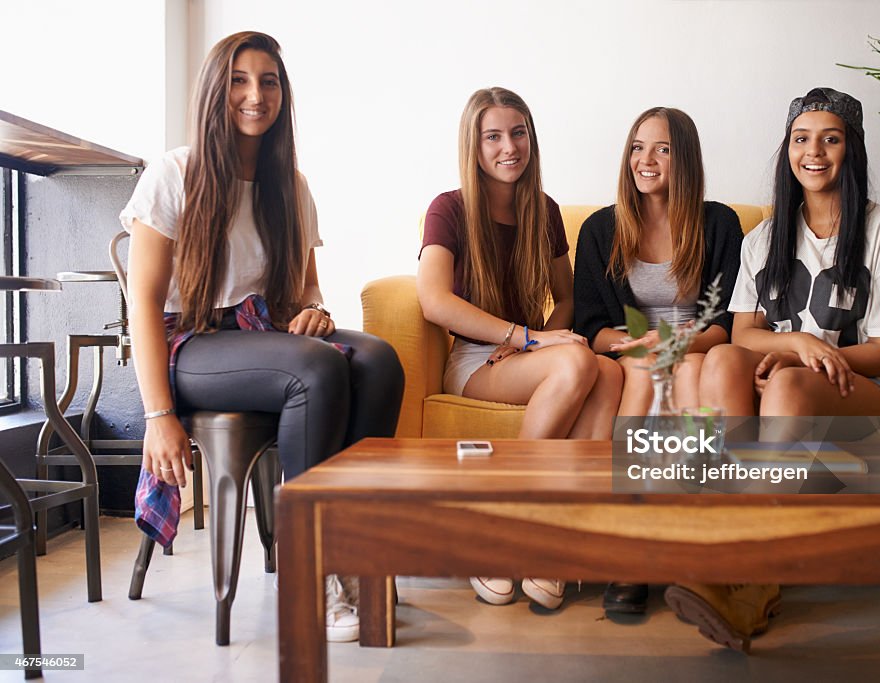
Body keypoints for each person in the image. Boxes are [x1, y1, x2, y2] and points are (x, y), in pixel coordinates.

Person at [119, 31, 404, 644]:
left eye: (268, 81)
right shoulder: (176, 173)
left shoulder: (290, 186)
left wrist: (316, 313)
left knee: (378, 360)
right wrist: (156, 414)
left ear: (283, 93)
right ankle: (309, 565)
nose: (255, 95)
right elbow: (141, 301)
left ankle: (352, 546)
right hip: (190, 346)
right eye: (240, 81)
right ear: (216, 93)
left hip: (261, 337)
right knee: (315, 368)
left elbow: (304, 291)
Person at [666, 87, 880, 652]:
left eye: (830, 139)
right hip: (786, 374)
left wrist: (794, 357)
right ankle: (733, 553)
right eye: (802, 139)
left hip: (869, 384)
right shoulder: (763, 238)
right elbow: (742, 335)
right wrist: (797, 343)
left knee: (785, 378)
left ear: (851, 149)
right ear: (787, 151)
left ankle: (754, 575)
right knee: (723, 358)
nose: (815, 152)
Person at [417, 87, 623, 611]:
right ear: (474, 144)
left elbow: (569, 297)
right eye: (493, 136)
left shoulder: (545, 211)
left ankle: (551, 540)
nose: (509, 146)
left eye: (518, 133)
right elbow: (434, 301)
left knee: (611, 373)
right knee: (581, 359)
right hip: (476, 359)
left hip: (529, 359)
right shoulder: (449, 209)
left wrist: (545, 338)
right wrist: (523, 339)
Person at [573, 107, 742, 616]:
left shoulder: (720, 223)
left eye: (662, 149)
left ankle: (695, 544)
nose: (646, 160)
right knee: (646, 373)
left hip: (697, 346)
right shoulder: (600, 229)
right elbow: (590, 326)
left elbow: (729, 321)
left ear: (684, 158)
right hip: (634, 350)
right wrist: (639, 345)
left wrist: (677, 343)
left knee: (689, 373)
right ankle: (630, 551)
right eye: (637, 147)